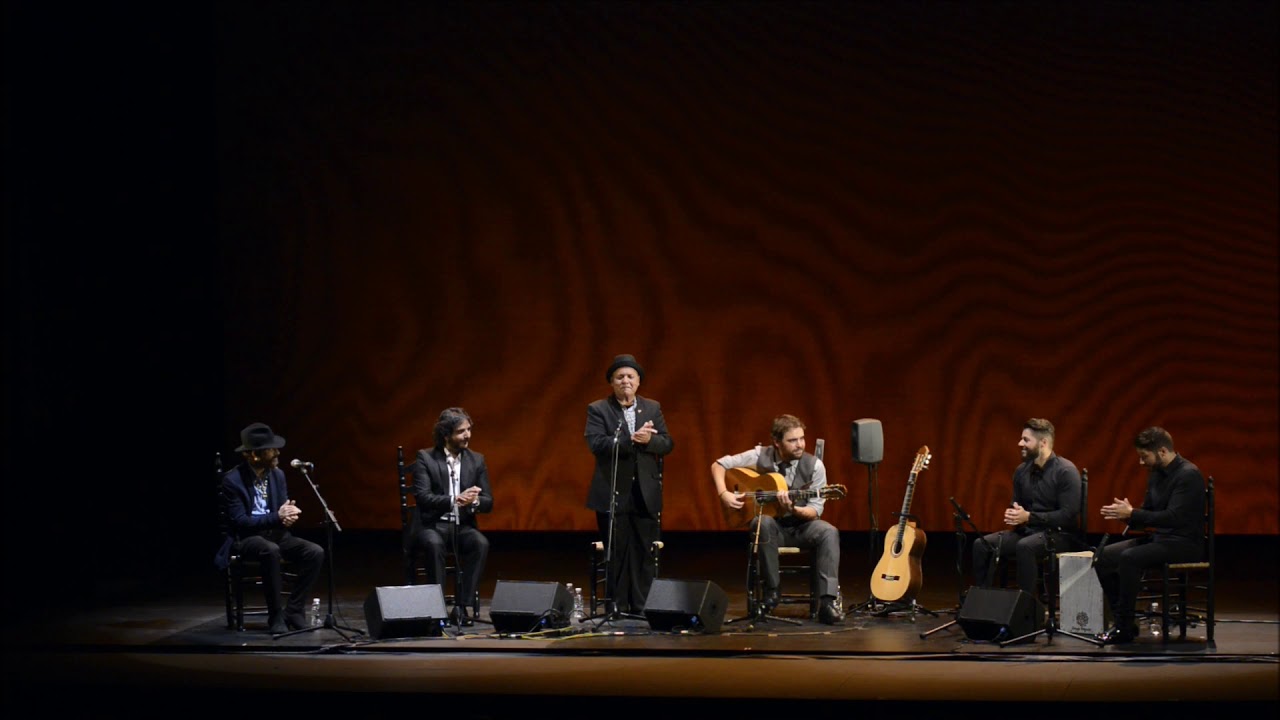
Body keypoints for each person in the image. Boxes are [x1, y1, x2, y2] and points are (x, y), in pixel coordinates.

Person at [712, 414, 843, 624]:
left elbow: (815, 510)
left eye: (801, 438)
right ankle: (772, 591)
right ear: (776, 442)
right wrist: (723, 494)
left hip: (802, 527)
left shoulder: (815, 466)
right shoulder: (759, 455)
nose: (799, 445)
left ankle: (827, 602)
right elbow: (718, 465)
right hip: (772, 531)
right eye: (792, 440)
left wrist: (793, 509)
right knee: (761, 521)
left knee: (829, 531)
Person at [1094, 427, 1205, 644]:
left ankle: (1123, 628)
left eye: (1144, 456)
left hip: (1184, 543)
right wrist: (1127, 516)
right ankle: (1124, 621)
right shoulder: (1155, 475)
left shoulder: (1188, 474)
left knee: (1130, 557)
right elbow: (1149, 514)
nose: (1141, 462)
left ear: (1162, 451)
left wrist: (1134, 513)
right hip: (1161, 539)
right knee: (1103, 556)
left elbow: (1174, 518)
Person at [585, 354, 674, 615]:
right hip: (612, 491)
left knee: (643, 553)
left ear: (638, 382)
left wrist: (649, 441)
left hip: (644, 492)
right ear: (611, 382)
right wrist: (631, 440)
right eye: (619, 377)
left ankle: (641, 607)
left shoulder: (652, 408)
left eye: (630, 376)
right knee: (617, 551)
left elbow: (667, 443)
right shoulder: (599, 409)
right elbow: (596, 443)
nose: (625, 381)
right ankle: (616, 606)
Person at [215, 422, 324, 634]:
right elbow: (241, 522)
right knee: (270, 550)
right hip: (246, 537)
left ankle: (293, 610)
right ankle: (275, 616)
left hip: (275, 533)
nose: (277, 452)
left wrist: (288, 516)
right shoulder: (232, 480)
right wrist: (278, 516)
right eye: (271, 449)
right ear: (254, 454)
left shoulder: (278, 474)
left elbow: (281, 510)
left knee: (315, 552)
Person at [970, 418, 1082, 598]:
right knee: (981, 545)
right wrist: (1013, 513)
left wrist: (1029, 517)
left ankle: (1027, 607)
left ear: (1043, 443)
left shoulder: (1066, 471)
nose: (1020, 443)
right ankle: (982, 600)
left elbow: (1068, 514)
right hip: (1028, 532)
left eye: (1026, 440)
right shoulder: (1021, 471)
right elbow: (1017, 504)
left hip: (1060, 535)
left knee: (1025, 547)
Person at [412, 407, 494, 626]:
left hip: (462, 525)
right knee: (434, 544)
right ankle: (436, 608)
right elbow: (423, 497)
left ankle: (461, 606)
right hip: (432, 525)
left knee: (480, 543)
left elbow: (488, 502)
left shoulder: (476, 460)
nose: (467, 435)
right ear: (446, 435)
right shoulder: (426, 458)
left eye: (468, 430)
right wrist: (454, 500)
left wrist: (474, 501)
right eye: (461, 431)